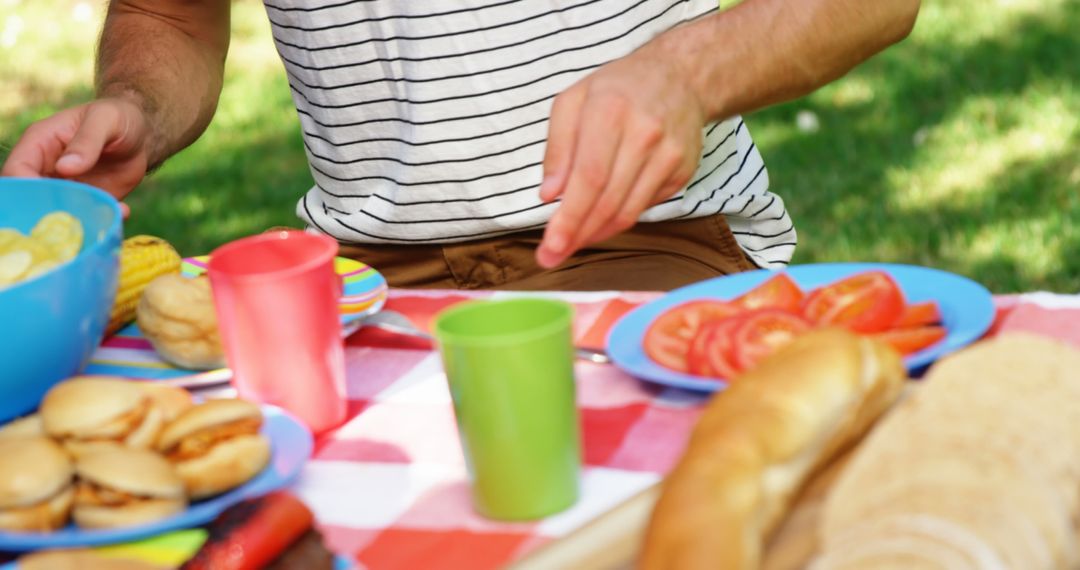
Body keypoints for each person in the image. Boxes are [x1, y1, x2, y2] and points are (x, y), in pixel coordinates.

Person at [2, 0, 920, 291]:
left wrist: (686, 73)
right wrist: (136, 102)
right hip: (363, 285)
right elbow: (169, 14)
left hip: (647, 246)